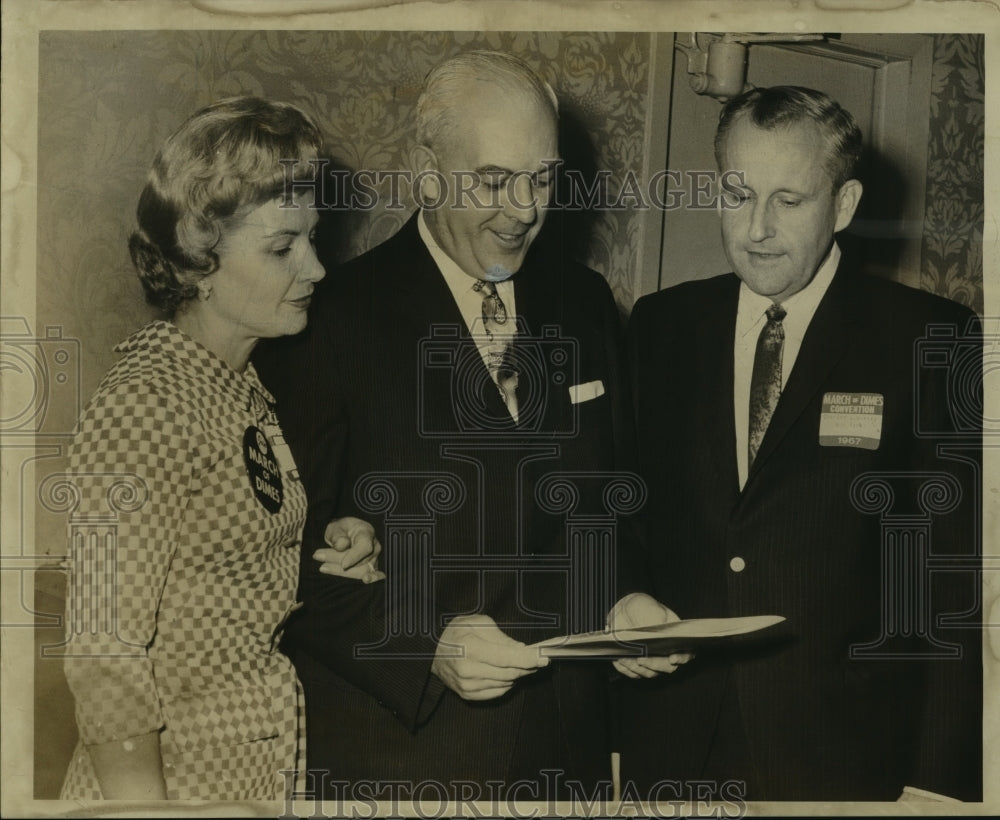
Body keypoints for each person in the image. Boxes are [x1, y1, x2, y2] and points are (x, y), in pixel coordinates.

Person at [255, 50, 685, 801]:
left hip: (565, 760)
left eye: (543, 178)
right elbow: (280, 562)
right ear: (426, 172)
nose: (524, 209)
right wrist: (427, 644)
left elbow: (609, 506)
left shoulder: (583, 303)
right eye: (492, 180)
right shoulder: (328, 320)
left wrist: (625, 599)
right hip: (401, 761)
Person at [622, 86, 982, 802]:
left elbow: (951, 578)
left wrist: (939, 783)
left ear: (843, 207)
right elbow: (621, 504)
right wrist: (622, 594)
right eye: (737, 193)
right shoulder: (661, 325)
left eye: (790, 201)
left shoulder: (927, 339)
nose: (757, 228)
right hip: (675, 743)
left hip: (848, 755)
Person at [59, 96, 380, 802]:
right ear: (199, 256)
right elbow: (102, 653)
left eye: (313, 239)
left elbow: (212, 553)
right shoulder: (149, 403)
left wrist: (322, 537)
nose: (317, 270)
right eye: (280, 248)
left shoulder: (237, 387)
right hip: (168, 788)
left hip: (251, 773)